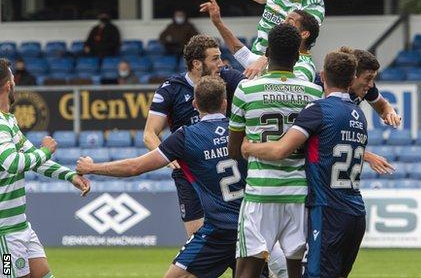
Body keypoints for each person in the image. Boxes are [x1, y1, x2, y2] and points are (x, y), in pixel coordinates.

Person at [77, 77, 249, 278]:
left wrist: (92, 167)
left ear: (195, 105)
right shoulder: (243, 130)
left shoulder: (186, 136)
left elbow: (135, 167)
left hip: (218, 231)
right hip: (250, 228)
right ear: (225, 103)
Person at [242, 50, 367, 278]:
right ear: (351, 81)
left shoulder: (319, 110)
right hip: (356, 213)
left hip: (328, 210)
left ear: (322, 76)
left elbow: (281, 150)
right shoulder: (358, 114)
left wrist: (249, 147)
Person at [228, 23, 324, 278]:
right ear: (297, 56)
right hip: (300, 193)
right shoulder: (315, 93)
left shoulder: (246, 89)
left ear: (267, 53)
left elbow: (234, 150)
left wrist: (251, 146)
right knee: (296, 272)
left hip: (261, 192)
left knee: (247, 271)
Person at [144, 35, 246, 238]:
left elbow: (256, 85)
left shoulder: (228, 78)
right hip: (189, 171)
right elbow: (149, 134)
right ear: (197, 64)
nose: (221, 64)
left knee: (240, 235)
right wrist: (166, 157)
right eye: (215, 59)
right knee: (198, 237)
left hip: (223, 164)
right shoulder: (171, 89)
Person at [0, 58, 90, 278]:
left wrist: (69, 176)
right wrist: (46, 150)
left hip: (20, 226)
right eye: (13, 78)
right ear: (8, 85)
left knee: (43, 274)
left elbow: (34, 159)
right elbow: (13, 163)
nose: (14, 82)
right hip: (4, 234)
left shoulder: (9, 121)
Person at [200, 0, 319, 82]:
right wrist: (218, 23)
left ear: (304, 34)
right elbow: (244, 55)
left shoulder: (305, 67)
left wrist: (265, 59)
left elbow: (288, 93)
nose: (283, 23)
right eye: (285, 19)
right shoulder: (277, 57)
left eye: (290, 21)